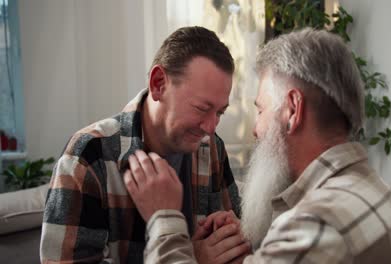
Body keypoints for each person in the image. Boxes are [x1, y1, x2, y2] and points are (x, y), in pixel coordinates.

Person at [124, 28, 391, 263]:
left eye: (260, 110)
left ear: (292, 109)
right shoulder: (375, 191)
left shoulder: (316, 227)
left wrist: (164, 218)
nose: (256, 131)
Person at [40, 26, 247, 264]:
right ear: (158, 83)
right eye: (202, 108)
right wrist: (192, 257)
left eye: (220, 112)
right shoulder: (86, 157)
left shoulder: (211, 148)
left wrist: (235, 235)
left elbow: (232, 245)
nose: (211, 127)